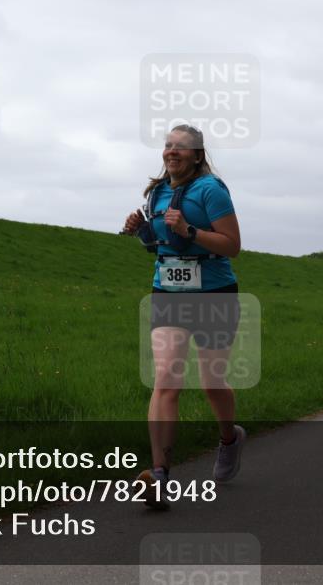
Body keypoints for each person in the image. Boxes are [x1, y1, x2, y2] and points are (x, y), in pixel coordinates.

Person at [121, 124, 245, 510]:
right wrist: (142, 231)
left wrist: (190, 229)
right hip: (168, 294)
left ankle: (229, 438)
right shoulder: (156, 192)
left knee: (211, 383)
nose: (172, 151)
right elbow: (164, 243)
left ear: (197, 155)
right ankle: (159, 477)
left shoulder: (211, 190)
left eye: (182, 147)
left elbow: (232, 245)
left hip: (213, 295)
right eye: (168, 145)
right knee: (167, 380)